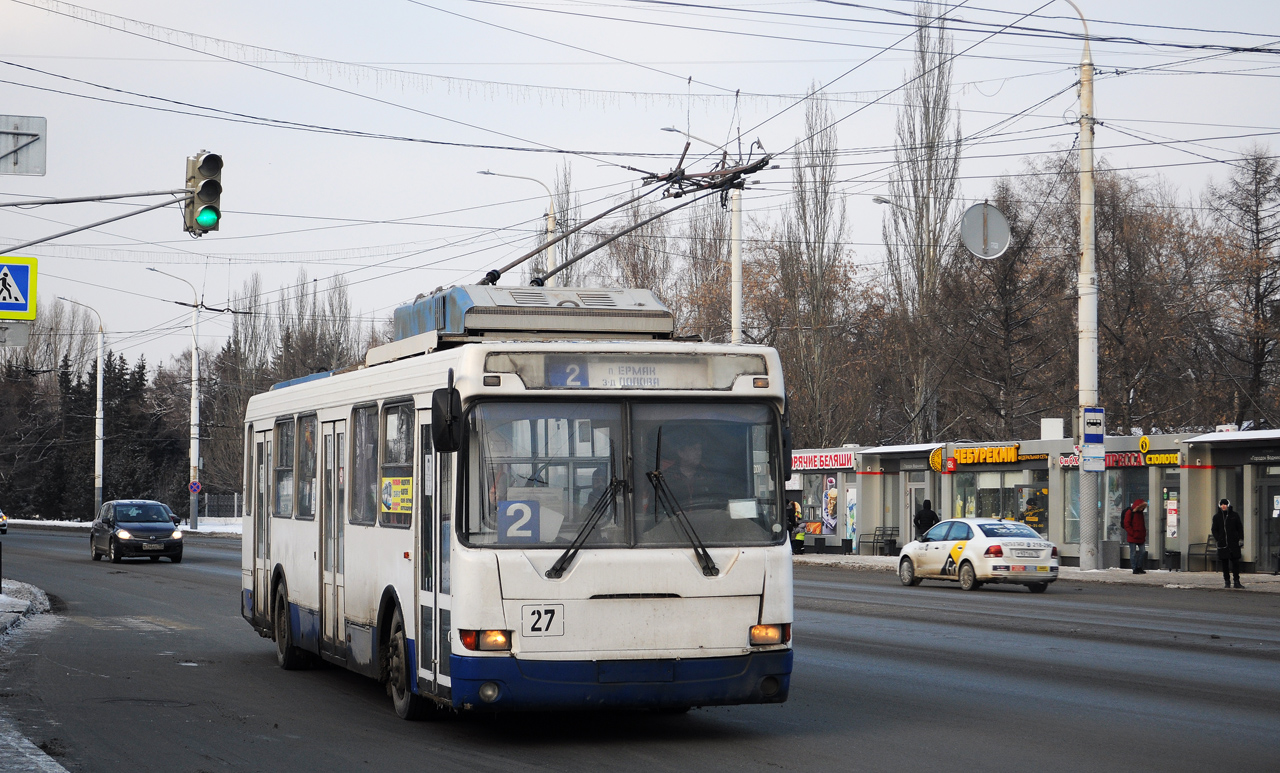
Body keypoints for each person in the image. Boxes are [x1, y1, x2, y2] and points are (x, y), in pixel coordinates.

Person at [1212, 499, 1245, 589]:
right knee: (1225, 563)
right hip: (1223, 544)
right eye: (1222, 504)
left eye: (1225, 504)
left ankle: (1236, 581)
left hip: (1234, 543)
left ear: (1228, 505)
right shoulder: (1217, 517)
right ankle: (1227, 581)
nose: (1224, 506)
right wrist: (1218, 538)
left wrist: (1241, 539)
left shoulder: (1234, 515)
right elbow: (1214, 529)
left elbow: (1240, 527)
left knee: (1235, 563)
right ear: (1220, 505)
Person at [1122, 498, 1148, 574]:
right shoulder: (1130, 512)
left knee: (1142, 552)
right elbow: (1126, 524)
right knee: (1133, 553)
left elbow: (1142, 525)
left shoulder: (1140, 513)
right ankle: (1134, 568)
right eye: (1142, 507)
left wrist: (1143, 533)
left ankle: (1139, 567)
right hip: (1133, 536)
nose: (1143, 509)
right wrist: (1133, 533)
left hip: (1140, 536)